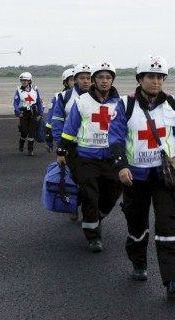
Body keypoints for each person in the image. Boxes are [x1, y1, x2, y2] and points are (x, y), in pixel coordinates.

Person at [108, 55, 175, 296]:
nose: (156, 81)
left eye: (160, 77)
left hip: (165, 176)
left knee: (167, 224)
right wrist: (121, 166)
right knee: (137, 225)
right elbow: (116, 138)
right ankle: (139, 262)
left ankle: (173, 279)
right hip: (135, 177)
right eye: (151, 76)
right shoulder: (125, 105)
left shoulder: (172, 104)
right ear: (140, 79)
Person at [56, 62, 122, 252]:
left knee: (111, 195)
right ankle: (93, 236)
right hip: (87, 158)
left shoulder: (120, 103)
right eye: (100, 77)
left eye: (108, 77)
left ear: (112, 81)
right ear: (94, 80)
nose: (104, 81)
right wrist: (62, 150)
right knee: (89, 197)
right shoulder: (82, 101)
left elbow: (127, 130)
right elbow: (70, 129)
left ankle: (96, 218)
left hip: (111, 158)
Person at [50, 63, 93, 221]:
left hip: (92, 146)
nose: (86, 81)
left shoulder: (100, 97)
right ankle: (74, 206)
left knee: (91, 180)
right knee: (76, 178)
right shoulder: (65, 97)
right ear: (75, 80)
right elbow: (56, 120)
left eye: (89, 78)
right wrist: (59, 144)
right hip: (71, 146)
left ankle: (89, 211)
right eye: (82, 78)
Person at [44, 68, 75, 153]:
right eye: (72, 79)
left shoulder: (89, 97)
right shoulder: (59, 97)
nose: (76, 82)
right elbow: (50, 121)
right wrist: (49, 139)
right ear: (65, 82)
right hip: (65, 139)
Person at [13, 72, 44, 156]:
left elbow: (39, 102)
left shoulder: (35, 89)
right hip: (23, 113)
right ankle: (21, 142)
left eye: (25, 80)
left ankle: (30, 149)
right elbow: (15, 103)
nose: (23, 82)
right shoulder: (19, 90)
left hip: (34, 112)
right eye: (22, 80)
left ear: (29, 81)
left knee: (32, 132)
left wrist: (41, 114)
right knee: (24, 131)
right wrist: (18, 111)